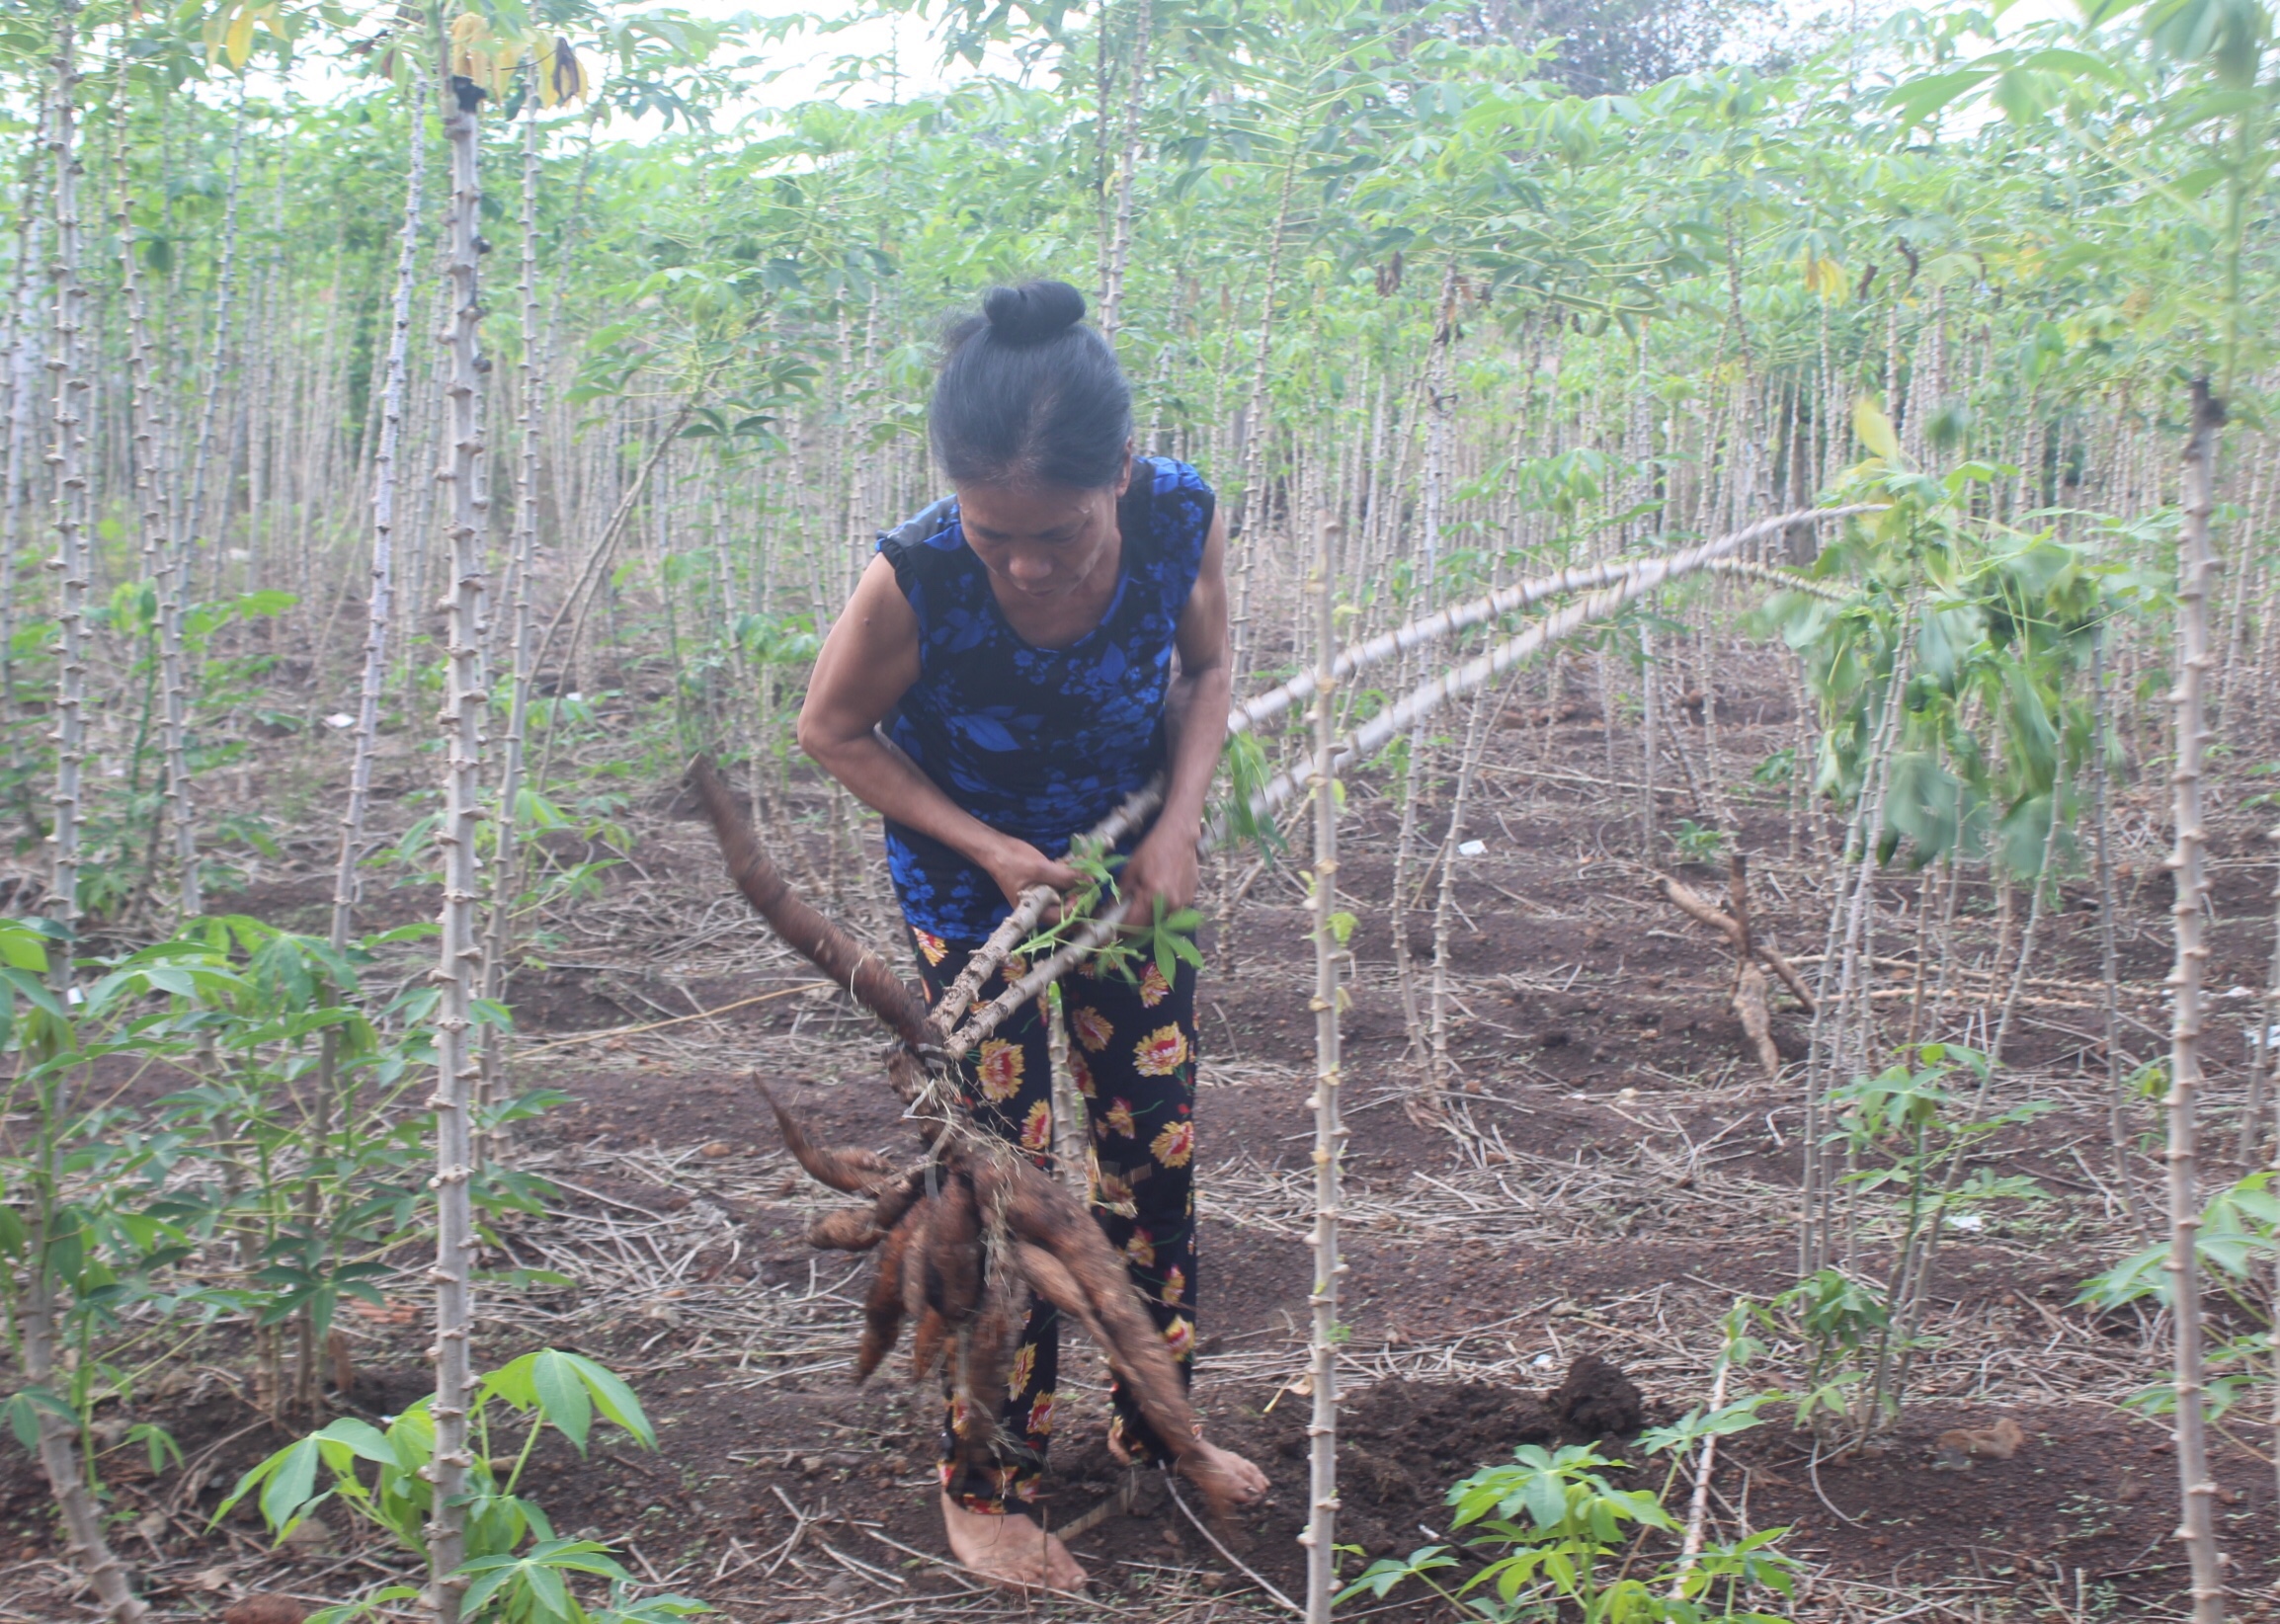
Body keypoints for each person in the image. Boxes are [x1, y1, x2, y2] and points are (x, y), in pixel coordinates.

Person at [797, 280, 1268, 1590]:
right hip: (975, 904)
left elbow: (1209, 670)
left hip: (1129, 890)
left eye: (1056, 533)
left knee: (1152, 1155)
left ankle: (1159, 1429)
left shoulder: (1181, 513)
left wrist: (1175, 827)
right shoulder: (918, 573)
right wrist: (991, 849)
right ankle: (985, 1480)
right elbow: (830, 731)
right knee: (1004, 1188)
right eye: (995, 532)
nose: (1026, 564)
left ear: (1119, 473)